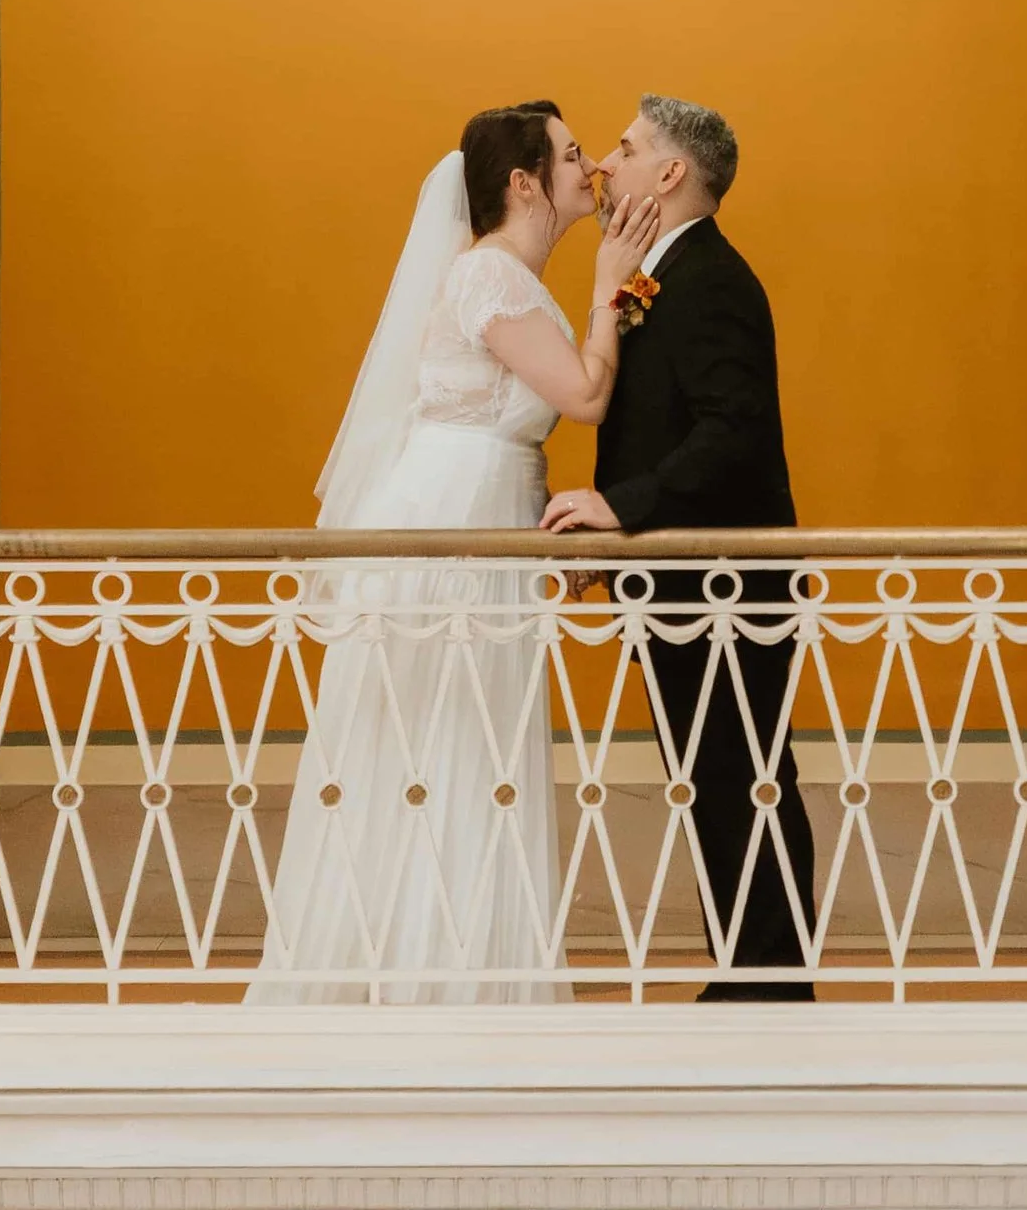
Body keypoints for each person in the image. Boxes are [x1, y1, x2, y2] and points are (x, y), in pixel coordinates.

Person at [248, 104, 661, 1001]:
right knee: (442, 739)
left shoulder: (508, 281)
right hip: (456, 514)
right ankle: (412, 975)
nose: (589, 167)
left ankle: (466, 965)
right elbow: (584, 396)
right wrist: (611, 285)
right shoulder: (492, 281)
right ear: (522, 183)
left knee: (474, 744)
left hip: (487, 505)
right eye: (569, 154)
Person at [541, 94, 817, 1001]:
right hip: (681, 582)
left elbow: (731, 432)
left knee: (745, 779)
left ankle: (771, 988)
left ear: (670, 173)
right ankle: (751, 977)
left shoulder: (713, 281)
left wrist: (619, 508)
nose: (604, 165)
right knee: (714, 781)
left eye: (624, 149)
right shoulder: (664, 273)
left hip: (727, 585)